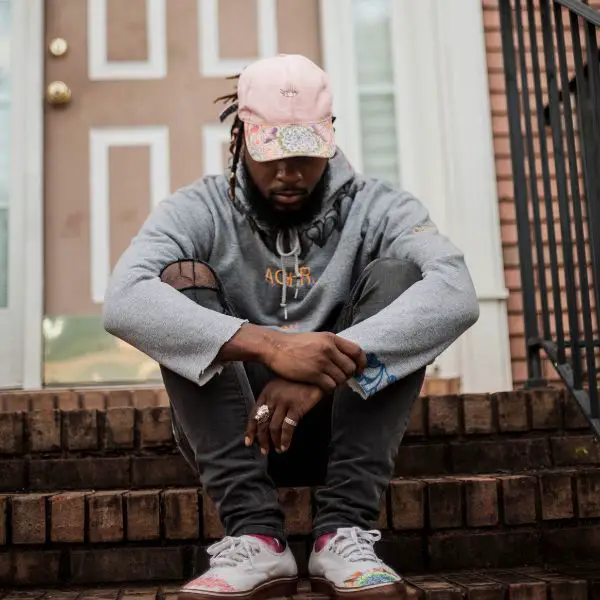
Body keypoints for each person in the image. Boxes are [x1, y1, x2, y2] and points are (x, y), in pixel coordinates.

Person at [104, 54, 479, 600]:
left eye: (304, 154)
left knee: (402, 275)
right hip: (239, 430)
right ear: (241, 139)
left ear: (329, 139)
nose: (288, 173)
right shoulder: (198, 208)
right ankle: (256, 536)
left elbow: (456, 292)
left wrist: (318, 367)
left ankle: (343, 529)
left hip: (345, 425)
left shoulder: (378, 206)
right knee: (178, 279)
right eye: (271, 155)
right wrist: (273, 347)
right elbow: (124, 300)